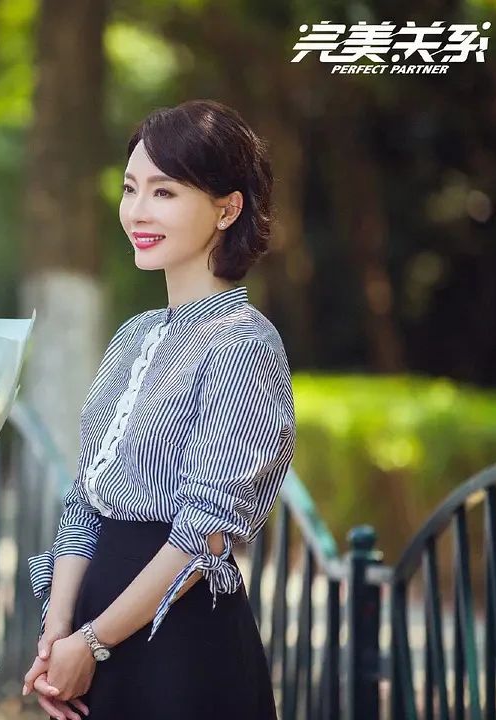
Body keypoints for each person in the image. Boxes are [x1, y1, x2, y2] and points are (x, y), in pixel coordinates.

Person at [22, 100, 296, 720]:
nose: (137, 211)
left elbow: (204, 531)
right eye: (130, 189)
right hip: (94, 630)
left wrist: (93, 642)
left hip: (180, 646)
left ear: (227, 209)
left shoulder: (244, 343)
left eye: (164, 192)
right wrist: (58, 632)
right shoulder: (135, 336)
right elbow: (86, 498)